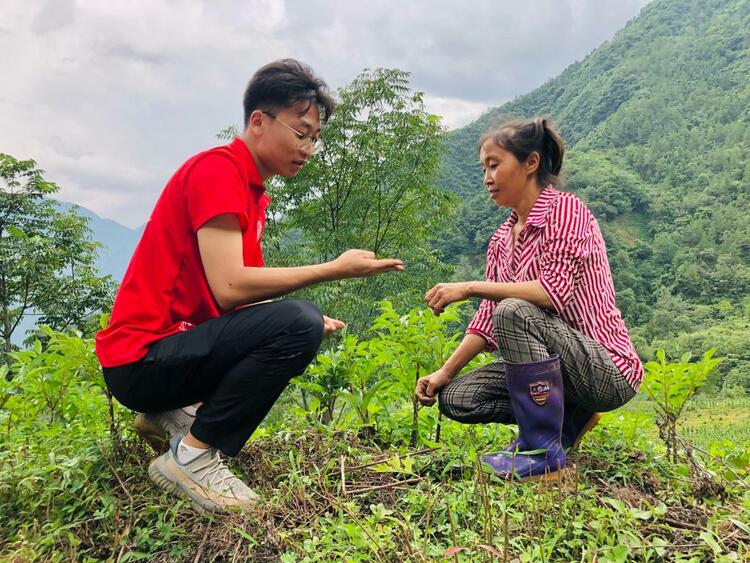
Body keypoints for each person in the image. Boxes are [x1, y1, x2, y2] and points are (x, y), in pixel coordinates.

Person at [95, 59, 404, 513]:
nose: (308, 149)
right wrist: (332, 270)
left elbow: (240, 303)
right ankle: (192, 458)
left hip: (157, 360)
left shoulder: (251, 193)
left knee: (300, 323)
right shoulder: (218, 171)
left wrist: (304, 323)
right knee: (297, 321)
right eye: (301, 133)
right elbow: (231, 288)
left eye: (315, 139)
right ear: (258, 120)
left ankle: (168, 417)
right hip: (142, 358)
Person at [415, 117, 642, 481]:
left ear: (531, 163)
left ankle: (540, 451)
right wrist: (443, 373)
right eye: (483, 168)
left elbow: (550, 293)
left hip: (606, 371)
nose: (487, 177)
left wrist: (470, 287)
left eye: (494, 165)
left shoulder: (565, 211)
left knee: (515, 310)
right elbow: (487, 323)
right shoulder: (501, 239)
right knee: (458, 397)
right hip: (555, 371)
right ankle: (571, 418)